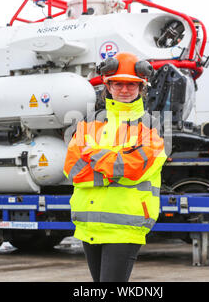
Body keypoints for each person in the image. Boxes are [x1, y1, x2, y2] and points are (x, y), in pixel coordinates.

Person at [63, 52, 167, 282]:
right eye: (117, 83)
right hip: (89, 224)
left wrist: (92, 153)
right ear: (107, 86)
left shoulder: (151, 125)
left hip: (125, 224)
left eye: (132, 84)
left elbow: (133, 168)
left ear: (142, 88)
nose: (124, 89)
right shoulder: (90, 121)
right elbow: (72, 169)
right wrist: (112, 165)